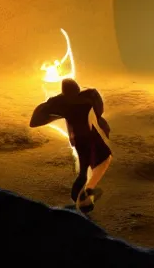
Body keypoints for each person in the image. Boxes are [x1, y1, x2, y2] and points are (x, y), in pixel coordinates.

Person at [29, 78, 112, 213]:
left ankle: (87, 192)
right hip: (85, 137)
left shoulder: (63, 103)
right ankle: (82, 199)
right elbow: (95, 108)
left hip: (86, 135)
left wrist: (58, 118)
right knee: (90, 167)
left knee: (101, 160)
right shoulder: (84, 99)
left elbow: (38, 120)